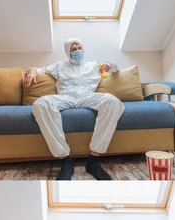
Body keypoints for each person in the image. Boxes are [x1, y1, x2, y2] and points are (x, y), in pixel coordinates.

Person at [24, 38, 125, 181]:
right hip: (65, 97)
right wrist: (32, 71)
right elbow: (40, 69)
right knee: (40, 104)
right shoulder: (59, 65)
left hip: (88, 96)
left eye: (79, 47)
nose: (78, 51)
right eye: (73, 49)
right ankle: (65, 161)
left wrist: (110, 65)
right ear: (68, 52)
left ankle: (94, 160)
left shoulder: (93, 65)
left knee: (113, 102)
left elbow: (115, 68)